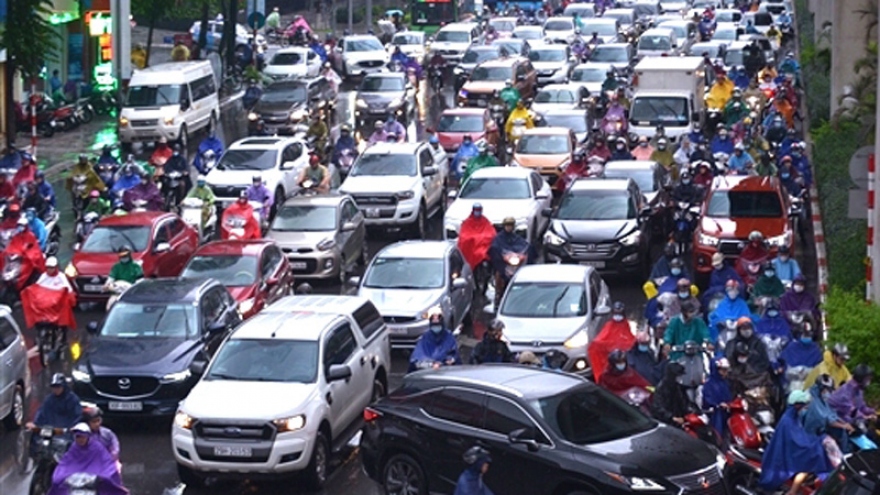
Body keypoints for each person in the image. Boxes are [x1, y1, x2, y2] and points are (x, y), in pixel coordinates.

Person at [759, 390, 835, 495]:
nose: (805, 408)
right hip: (787, 454)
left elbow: (801, 436)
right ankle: (793, 492)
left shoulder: (794, 418)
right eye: (804, 405)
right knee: (807, 464)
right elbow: (795, 442)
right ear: (797, 405)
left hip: (792, 450)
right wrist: (815, 444)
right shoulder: (788, 421)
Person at [49, 423, 128, 495]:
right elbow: (65, 463)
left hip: (93, 482)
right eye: (78, 437)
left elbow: (106, 463)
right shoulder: (74, 448)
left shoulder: (97, 448)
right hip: (74, 483)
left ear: (87, 436)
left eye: (82, 437)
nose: (80, 439)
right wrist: (60, 475)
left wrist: (104, 475)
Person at [803, 374, 856, 447]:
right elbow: (825, 419)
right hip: (812, 434)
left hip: (822, 429)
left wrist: (843, 422)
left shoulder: (822, 397)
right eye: (826, 390)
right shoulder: (811, 399)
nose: (827, 392)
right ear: (821, 388)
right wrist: (843, 426)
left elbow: (831, 413)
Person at [588, 302, 636, 377]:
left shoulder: (625, 324)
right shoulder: (609, 325)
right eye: (616, 313)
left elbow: (629, 337)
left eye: (619, 313)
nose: (618, 316)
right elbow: (600, 339)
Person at [409, 306, 461, 372]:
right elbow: (417, 358)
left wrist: (448, 361)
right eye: (434, 325)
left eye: (438, 325)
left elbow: (454, 355)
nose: (436, 328)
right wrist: (430, 364)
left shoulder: (449, 337)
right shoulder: (425, 337)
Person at [827, 364, 876, 432]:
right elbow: (852, 411)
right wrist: (865, 417)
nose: (869, 382)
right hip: (835, 423)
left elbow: (862, 407)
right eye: (867, 379)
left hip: (847, 421)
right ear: (861, 378)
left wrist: (873, 412)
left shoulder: (859, 391)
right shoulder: (845, 391)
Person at [702, 357, 733, 436]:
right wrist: (718, 404)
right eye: (723, 370)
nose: (725, 373)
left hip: (728, 410)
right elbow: (708, 399)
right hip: (714, 412)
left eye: (726, 370)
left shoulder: (726, 383)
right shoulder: (709, 384)